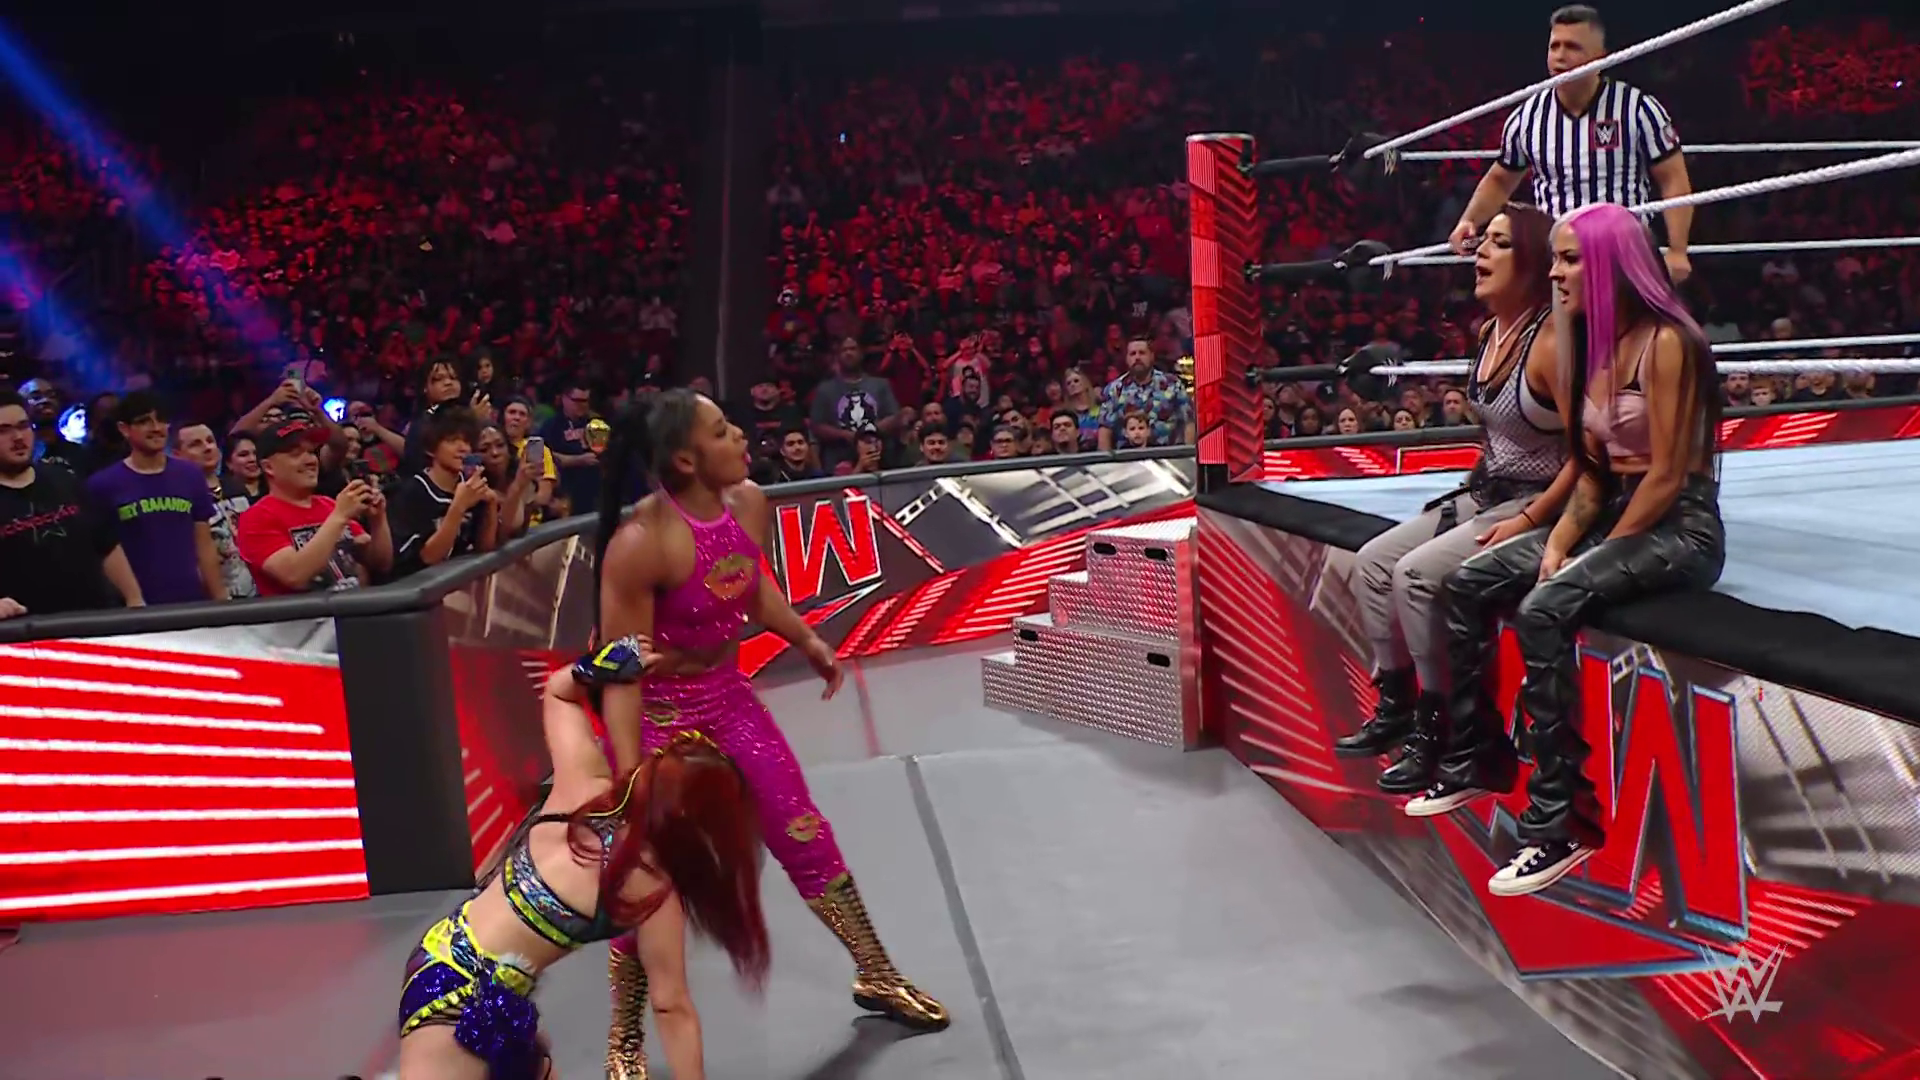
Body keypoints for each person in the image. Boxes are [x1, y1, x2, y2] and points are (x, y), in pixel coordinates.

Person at [595, 389, 948, 1079]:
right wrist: (629, 780)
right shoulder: (640, 545)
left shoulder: (749, 503)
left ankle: (876, 972)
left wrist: (807, 639)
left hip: (727, 698)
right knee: (647, 873)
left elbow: (751, 585)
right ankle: (624, 1039)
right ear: (686, 460)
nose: (740, 437)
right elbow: (619, 671)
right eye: (722, 430)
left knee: (801, 828)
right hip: (660, 716)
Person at [1436, 202, 1725, 896]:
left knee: (1544, 609)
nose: (1555, 273)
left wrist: (1593, 554)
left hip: (1678, 526)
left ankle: (1564, 819)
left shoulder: (1669, 343)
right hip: (1612, 512)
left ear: (1607, 265)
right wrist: (1558, 541)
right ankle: (1480, 757)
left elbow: (1667, 475)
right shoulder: (1593, 344)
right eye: (1557, 259)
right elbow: (1593, 475)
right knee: (1467, 583)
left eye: (1569, 260)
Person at [397, 645, 769, 1080]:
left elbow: (559, 693)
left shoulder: (584, 787)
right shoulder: (651, 888)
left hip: (447, 956)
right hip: (457, 1005)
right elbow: (671, 1005)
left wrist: (600, 665)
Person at [1335, 205, 1571, 798]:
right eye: (1483, 241)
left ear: (1531, 262)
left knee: (1416, 575)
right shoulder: (1490, 334)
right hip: (1491, 490)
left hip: (1546, 499)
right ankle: (1397, 704)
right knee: (1373, 562)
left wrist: (1533, 517)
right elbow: (1494, 440)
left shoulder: (1551, 343)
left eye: (1498, 244)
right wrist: (1463, 496)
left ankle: (1440, 729)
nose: (1479, 252)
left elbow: (1592, 455)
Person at [1447, 5, 1695, 285]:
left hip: (1624, 253)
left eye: (1573, 47)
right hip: (1556, 258)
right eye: (1555, 46)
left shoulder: (1638, 108)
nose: (1560, 56)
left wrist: (1678, 250)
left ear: (1599, 58)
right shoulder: (1527, 117)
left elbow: (1673, 178)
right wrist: (1469, 221)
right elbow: (1501, 180)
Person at [0, 390, 143, 619]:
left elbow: (106, 544)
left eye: (23, 426)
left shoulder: (63, 479)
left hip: (96, 620)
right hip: (30, 630)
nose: (18, 437)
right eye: (4, 430)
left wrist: (134, 598)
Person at [84, 392, 228, 605]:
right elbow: (103, 552)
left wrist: (220, 598)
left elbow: (204, 545)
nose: (156, 428)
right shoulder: (103, 485)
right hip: (135, 607)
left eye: (161, 420)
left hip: (192, 603)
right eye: (144, 421)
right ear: (124, 429)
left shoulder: (190, 475)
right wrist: (133, 600)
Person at [235, 413, 395, 595]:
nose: (311, 461)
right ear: (268, 467)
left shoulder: (328, 505)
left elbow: (381, 563)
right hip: (304, 613)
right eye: (296, 454)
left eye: (311, 452)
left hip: (355, 609)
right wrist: (339, 516)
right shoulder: (256, 518)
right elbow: (294, 575)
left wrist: (378, 520)